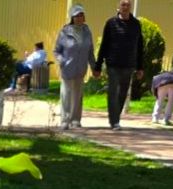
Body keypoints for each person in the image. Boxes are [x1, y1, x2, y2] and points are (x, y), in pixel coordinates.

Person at [94, 0, 144, 130]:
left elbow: (140, 47)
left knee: (122, 93)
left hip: (129, 65)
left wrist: (140, 67)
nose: (125, 7)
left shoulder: (136, 24)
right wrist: (98, 66)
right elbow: (104, 44)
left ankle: (116, 118)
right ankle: (114, 121)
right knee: (113, 92)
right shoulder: (111, 23)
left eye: (128, 5)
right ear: (118, 7)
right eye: (123, 5)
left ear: (130, 7)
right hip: (113, 64)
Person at [54, 5, 97, 129]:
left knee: (78, 95)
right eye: (77, 15)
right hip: (67, 68)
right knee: (66, 95)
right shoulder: (64, 31)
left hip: (81, 68)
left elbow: (90, 51)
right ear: (72, 17)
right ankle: (65, 120)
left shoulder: (87, 31)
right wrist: (62, 61)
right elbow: (56, 51)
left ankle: (75, 120)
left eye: (81, 15)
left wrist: (94, 67)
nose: (79, 18)